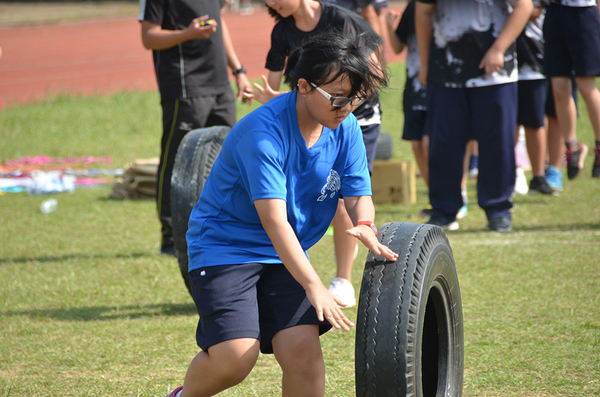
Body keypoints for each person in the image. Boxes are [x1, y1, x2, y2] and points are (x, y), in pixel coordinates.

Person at [165, 31, 397, 397]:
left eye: (355, 98)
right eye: (338, 98)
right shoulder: (262, 134)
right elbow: (274, 220)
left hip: (283, 251)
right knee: (236, 358)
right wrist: (313, 284)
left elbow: (357, 192)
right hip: (226, 247)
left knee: (304, 355)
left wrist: (365, 223)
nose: (347, 108)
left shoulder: (345, 126)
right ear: (304, 86)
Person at [245, 0, 384, 307]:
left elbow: (372, 73)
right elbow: (273, 89)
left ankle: (343, 278)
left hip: (347, 117)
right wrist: (291, 101)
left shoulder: (340, 19)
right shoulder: (282, 32)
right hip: (311, 114)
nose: (272, 3)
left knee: (339, 194)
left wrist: (344, 100)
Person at [139, 0, 253, 256]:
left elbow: (219, 23)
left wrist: (238, 70)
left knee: (228, 159)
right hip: (185, 87)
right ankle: (170, 235)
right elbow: (148, 37)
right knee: (177, 160)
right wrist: (187, 34)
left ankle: (223, 228)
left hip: (220, 85)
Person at [415, 0, 533, 232]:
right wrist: (425, 62)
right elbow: (423, 12)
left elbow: (523, 6)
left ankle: (498, 210)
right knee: (444, 143)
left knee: (497, 142)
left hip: (496, 73)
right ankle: (443, 209)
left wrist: (499, 48)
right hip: (445, 69)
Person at [543, 0, 600, 180]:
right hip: (554, 12)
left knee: (585, 85)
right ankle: (572, 147)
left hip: (583, 12)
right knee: (558, 86)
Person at [386, 1, 431, 215]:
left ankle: (453, 194)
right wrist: (389, 26)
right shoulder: (413, 7)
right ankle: (434, 196)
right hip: (414, 83)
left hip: (441, 83)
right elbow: (398, 47)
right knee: (416, 143)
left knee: (433, 142)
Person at [515, 4, 557, 195]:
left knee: (534, 122)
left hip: (533, 62)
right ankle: (510, 173)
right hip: (500, 68)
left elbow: (534, 10)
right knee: (507, 124)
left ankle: (538, 177)